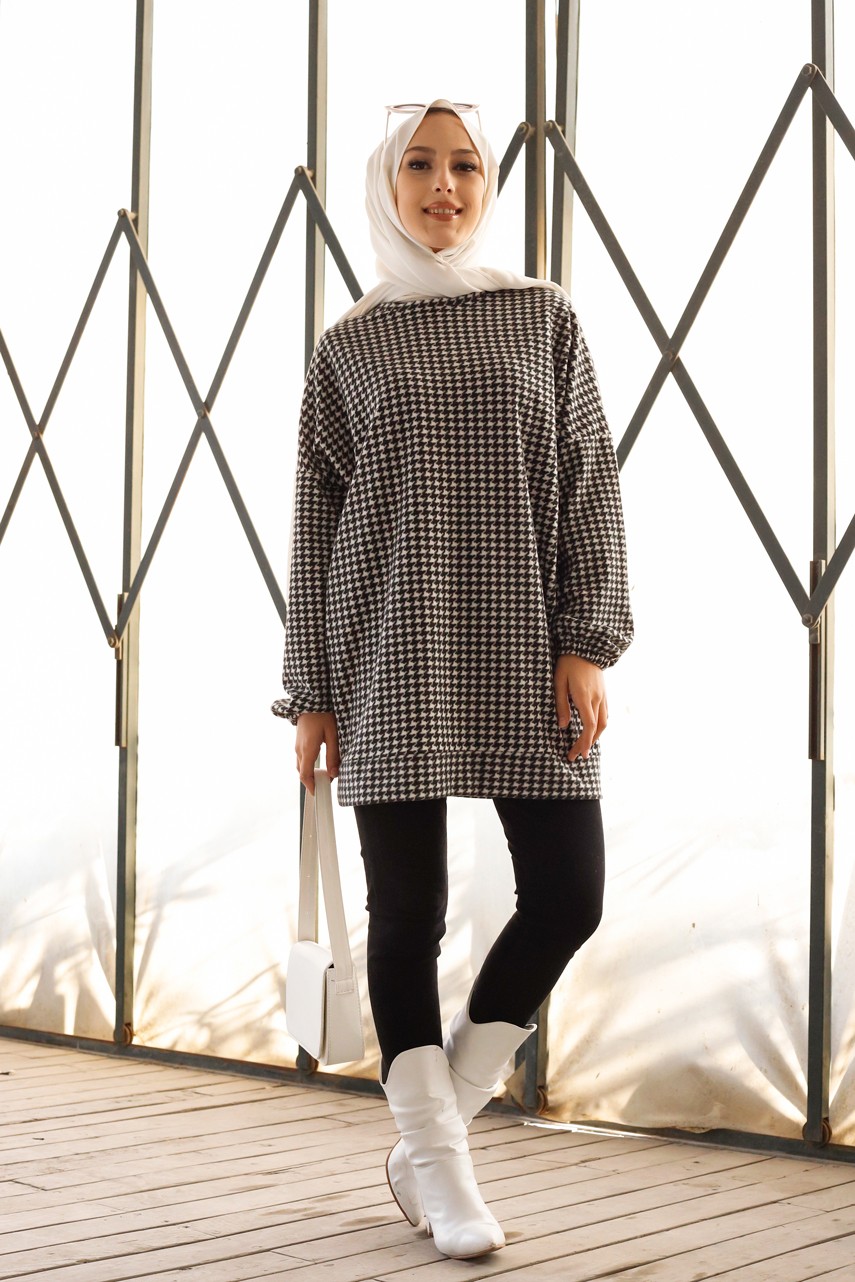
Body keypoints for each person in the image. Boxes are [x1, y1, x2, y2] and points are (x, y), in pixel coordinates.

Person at [272, 99, 634, 1260]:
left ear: (488, 183)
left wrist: (588, 638)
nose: (445, 186)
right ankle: (440, 1165)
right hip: (388, 651)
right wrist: (312, 688)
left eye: (466, 165)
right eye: (421, 165)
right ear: (388, 184)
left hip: (527, 646)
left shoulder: (544, 317)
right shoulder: (350, 345)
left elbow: (589, 477)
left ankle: (436, 1135)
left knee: (569, 892)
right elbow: (316, 525)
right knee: (406, 917)